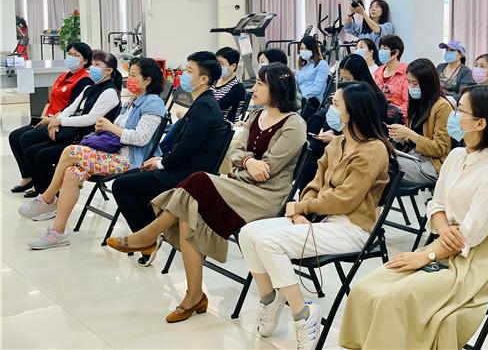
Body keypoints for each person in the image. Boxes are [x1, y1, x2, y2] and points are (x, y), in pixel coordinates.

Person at [106, 63, 306, 320]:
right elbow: (236, 152)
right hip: (240, 185)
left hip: (265, 196)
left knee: (198, 181)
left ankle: (148, 236)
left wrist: (242, 166)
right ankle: (194, 295)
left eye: (259, 83)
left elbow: (267, 170)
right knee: (190, 212)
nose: (253, 88)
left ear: (276, 88)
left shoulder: (293, 124)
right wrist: (246, 161)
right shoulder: (257, 116)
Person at [339, 85, 488, 349]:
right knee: (364, 290)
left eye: (461, 111)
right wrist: (444, 232)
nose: (454, 117)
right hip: (444, 244)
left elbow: (469, 235)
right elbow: (436, 205)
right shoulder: (457, 155)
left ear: (480, 123)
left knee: (393, 301)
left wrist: (426, 256)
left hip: (477, 261)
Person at [238, 82, 393, 350]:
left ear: (352, 112)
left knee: (268, 243)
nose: (331, 109)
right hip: (322, 218)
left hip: (352, 227)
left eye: (336, 105)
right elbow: (314, 183)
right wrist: (304, 209)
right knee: (248, 233)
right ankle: (270, 298)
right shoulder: (338, 143)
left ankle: (303, 314)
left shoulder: (373, 150)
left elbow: (346, 198)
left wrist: (303, 208)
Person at [22, 58, 167, 249]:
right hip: (114, 153)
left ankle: (47, 198)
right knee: (71, 173)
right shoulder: (132, 101)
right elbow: (118, 129)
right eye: (129, 75)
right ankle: (58, 232)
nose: (129, 79)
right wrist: (105, 127)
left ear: (147, 80)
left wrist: (110, 127)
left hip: (129, 159)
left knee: (71, 151)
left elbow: (141, 138)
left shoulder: (153, 104)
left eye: (133, 75)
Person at [111, 52, 230, 266]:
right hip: (182, 168)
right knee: (131, 179)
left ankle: (147, 239)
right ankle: (149, 236)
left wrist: (160, 163)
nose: (183, 75)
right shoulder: (202, 102)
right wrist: (160, 160)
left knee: (122, 186)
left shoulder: (204, 106)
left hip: (188, 176)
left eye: (189, 71)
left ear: (204, 79)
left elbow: (186, 148)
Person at [16, 50, 122, 201]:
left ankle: (50, 198)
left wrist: (60, 121)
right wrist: (55, 122)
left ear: (109, 70)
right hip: (72, 133)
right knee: (30, 152)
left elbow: (90, 119)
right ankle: (42, 194)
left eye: (97, 65)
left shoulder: (110, 92)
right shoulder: (89, 88)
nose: (92, 68)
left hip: (87, 139)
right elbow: (70, 109)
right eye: (92, 64)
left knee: (41, 156)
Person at [9, 42, 93, 194]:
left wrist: (52, 121)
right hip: (48, 118)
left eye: (76, 55)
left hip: (62, 123)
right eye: (70, 54)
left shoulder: (84, 80)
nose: (71, 57)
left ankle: (39, 183)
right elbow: (50, 99)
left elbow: (73, 108)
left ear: (85, 61)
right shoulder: (64, 75)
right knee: (14, 136)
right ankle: (28, 176)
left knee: (27, 138)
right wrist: (42, 117)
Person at [301, 55, 389, 191]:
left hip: (353, 143)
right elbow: (325, 115)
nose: (344, 83)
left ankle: (309, 189)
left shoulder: (372, 100)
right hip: (340, 139)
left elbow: (366, 133)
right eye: (342, 78)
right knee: (311, 138)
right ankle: (307, 190)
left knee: (314, 150)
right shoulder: (345, 96)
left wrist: (335, 138)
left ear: (359, 77)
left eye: (348, 79)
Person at [387, 58, 453, 186]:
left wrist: (410, 134)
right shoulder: (417, 103)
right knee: (376, 154)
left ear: (427, 84)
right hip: (413, 156)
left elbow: (440, 149)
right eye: (408, 82)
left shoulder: (442, 106)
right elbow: (412, 140)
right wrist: (401, 137)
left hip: (432, 164)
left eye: (415, 83)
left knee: (380, 162)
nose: (411, 87)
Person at [372, 35, 409, 117]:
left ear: (396, 52)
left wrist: (392, 114)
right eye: (380, 49)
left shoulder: (406, 72)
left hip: (399, 120)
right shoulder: (377, 72)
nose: (381, 52)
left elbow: (408, 102)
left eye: (385, 49)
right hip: (379, 117)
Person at [295, 36, 329, 118]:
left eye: (306, 49)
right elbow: (296, 84)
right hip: (299, 99)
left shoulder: (321, 64)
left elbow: (318, 88)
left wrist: (302, 96)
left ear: (313, 49)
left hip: (312, 101)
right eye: (301, 49)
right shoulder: (302, 66)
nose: (303, 51)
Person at [214, 46, 246, 123]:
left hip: (224, 126)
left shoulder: (238, 87)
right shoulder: (214, 81)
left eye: (221, 64)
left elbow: (216, 108)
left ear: (233, 66)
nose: (218, 67)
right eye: (216, 63)